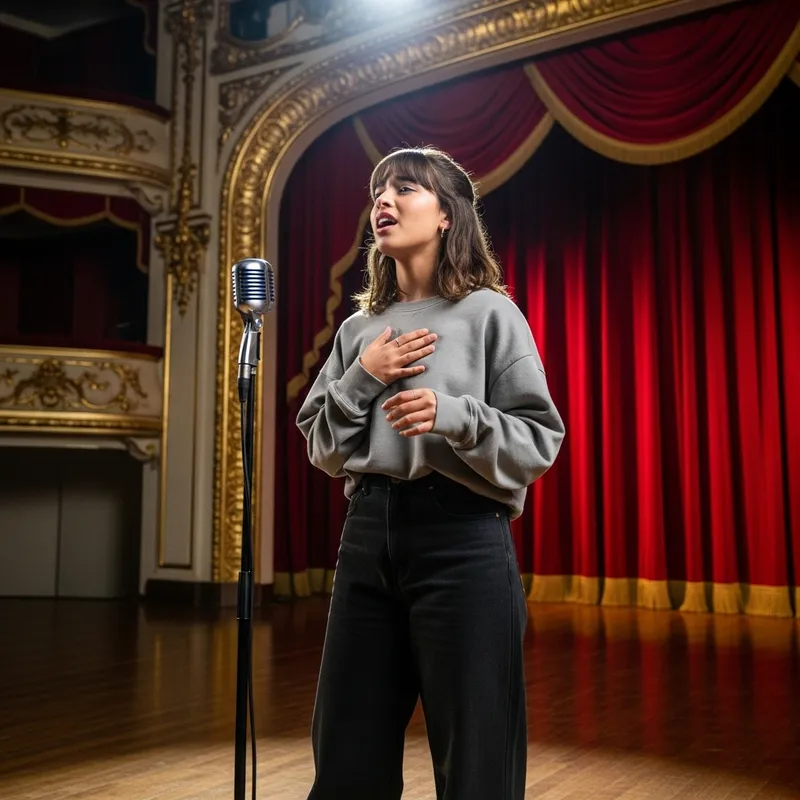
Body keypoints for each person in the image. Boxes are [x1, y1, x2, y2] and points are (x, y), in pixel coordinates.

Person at [296, 145, 565, 799]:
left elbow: (538, 442)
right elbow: (321, 444)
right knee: (346, 755)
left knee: (477, 758)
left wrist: (456, 416)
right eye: (377, 190)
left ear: (448, 215)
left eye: (405, 189)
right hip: (367, 538)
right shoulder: (360, 329)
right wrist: (365, 375)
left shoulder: (490, 314)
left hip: (463, 540)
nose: (382, 201)